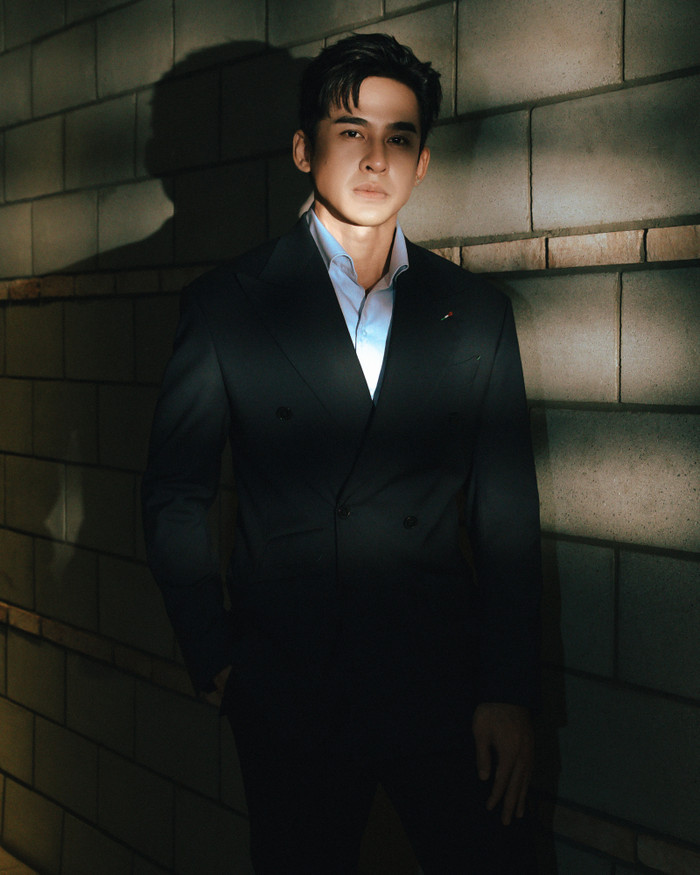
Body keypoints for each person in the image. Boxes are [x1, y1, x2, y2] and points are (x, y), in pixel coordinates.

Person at [142, 33, 541, 874]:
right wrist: (217, 656)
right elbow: (176, 492)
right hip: (291, 685)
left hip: (442, 684)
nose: (375, 157)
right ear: (303, 148)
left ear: (423, 163)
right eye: (351, 129)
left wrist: (507, 686)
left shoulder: (474, 312)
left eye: (399, 137)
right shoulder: (227, 305)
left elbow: (505, 513)